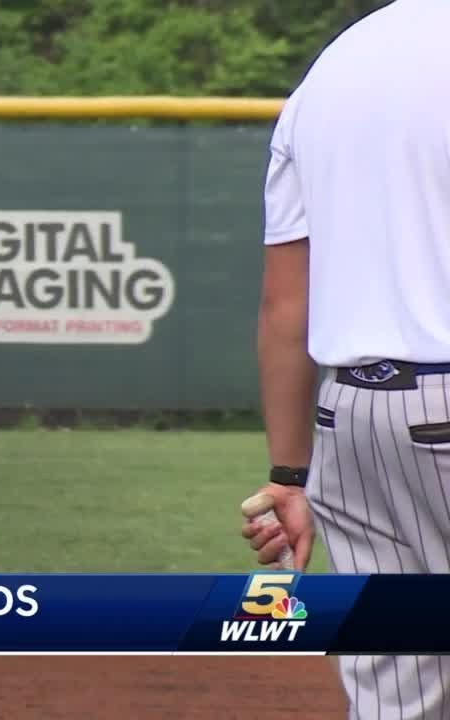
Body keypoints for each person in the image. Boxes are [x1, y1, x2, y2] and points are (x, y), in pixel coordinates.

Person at [243, 1, 450, 717]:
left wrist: (288, 476)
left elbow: (284, 306)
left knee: (397, 695)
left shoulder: (331, 70)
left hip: (352, 427)